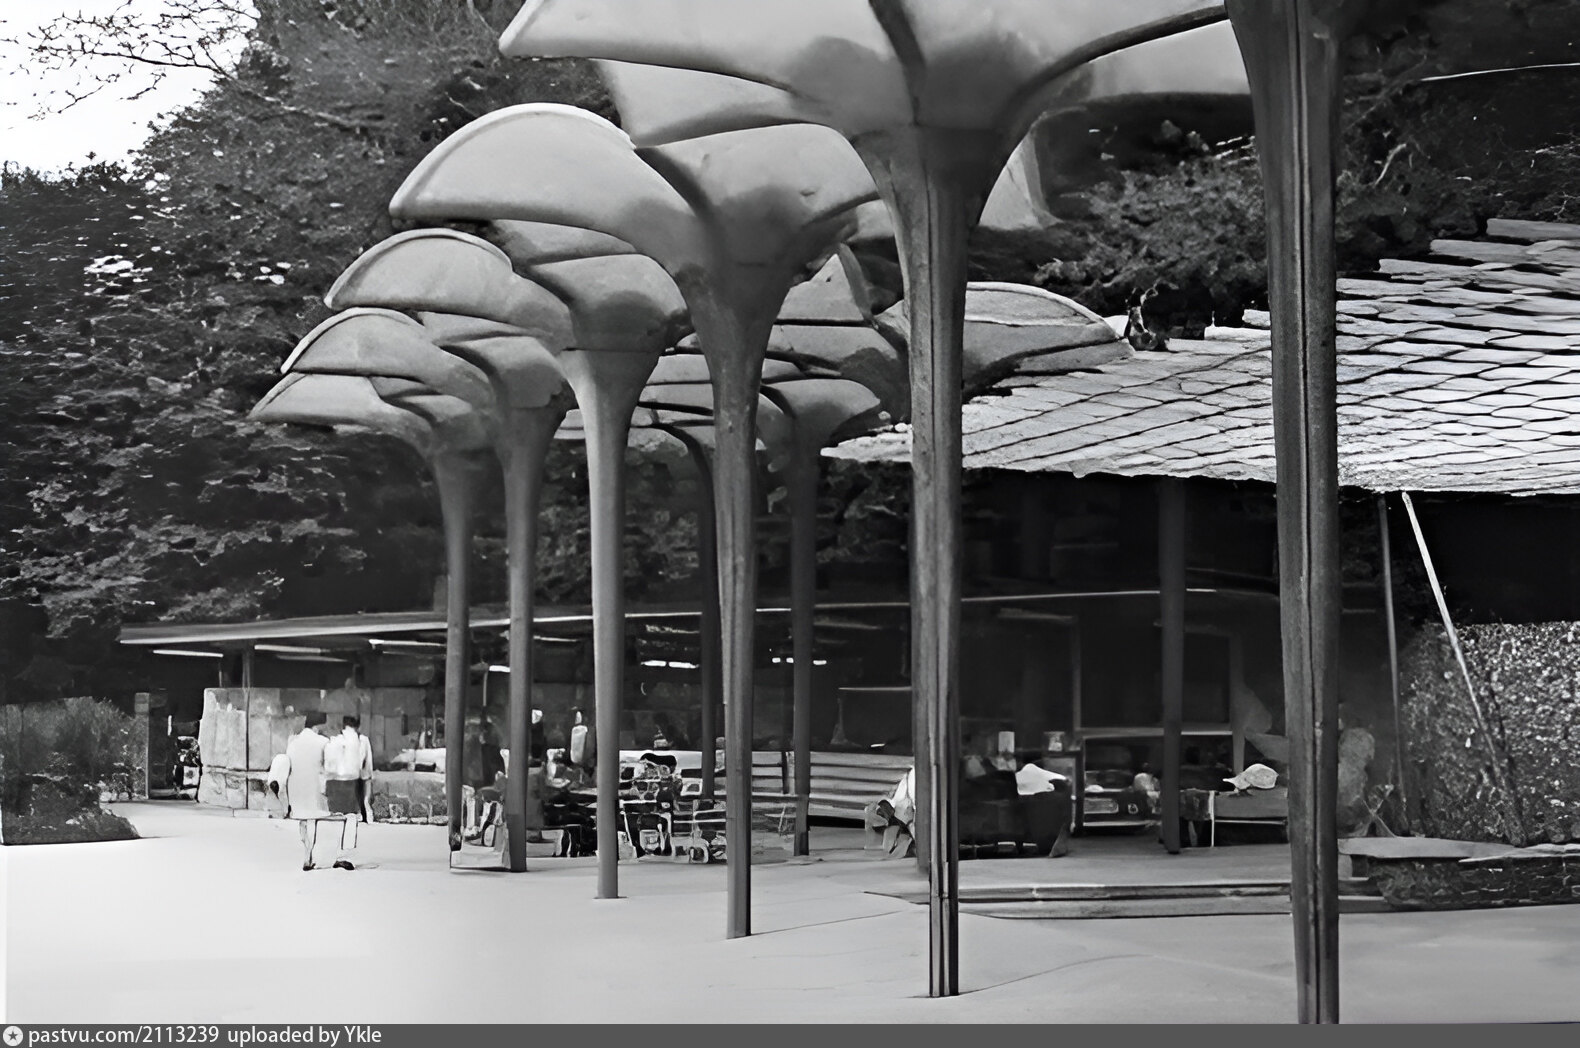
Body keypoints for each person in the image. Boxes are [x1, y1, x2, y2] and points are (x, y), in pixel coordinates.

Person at [269, 712, 330, 871]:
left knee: (303, 820)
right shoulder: (324, 742)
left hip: (296, 787)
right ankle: (310, 854)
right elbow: (327, 766)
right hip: (314, 786)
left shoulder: (293, 742)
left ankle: (306, 851)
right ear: (317, 727)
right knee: (313, 819)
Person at [323, 714, 373, 869]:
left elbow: (326, 764)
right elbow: (367, 769)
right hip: (351, 781)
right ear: (358, 726)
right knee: (350, 818)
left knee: (334, 818)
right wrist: (366, 796)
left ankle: (331, 853)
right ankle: (344, 855)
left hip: (332, 781)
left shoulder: (333, 741)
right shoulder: (362, 740)